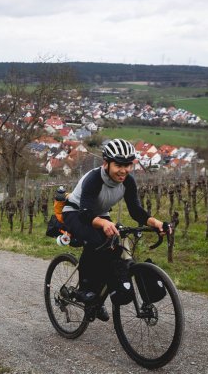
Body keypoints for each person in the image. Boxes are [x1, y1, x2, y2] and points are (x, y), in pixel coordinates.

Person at [62, 138, 168, 322]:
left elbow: (136, 211)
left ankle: (98, 297)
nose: (124, 170)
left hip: (99, 214)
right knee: (97, 242)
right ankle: (85, 290)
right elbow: (86, 213)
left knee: (113, 249)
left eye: (128, 165)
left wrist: (155, 222)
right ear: (106, 163)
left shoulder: (128, 182)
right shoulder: (94, 179)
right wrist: (103, 224)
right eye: (119, 164)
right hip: (76, 212)